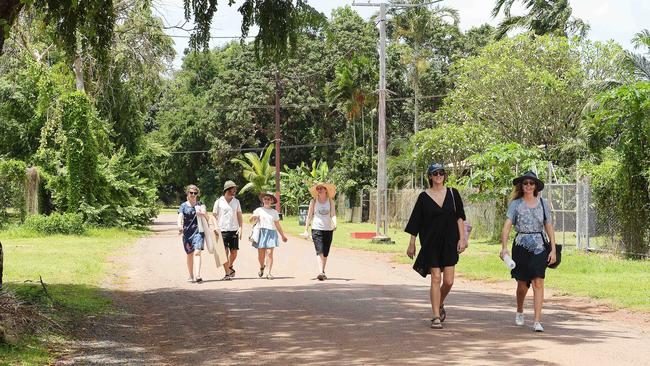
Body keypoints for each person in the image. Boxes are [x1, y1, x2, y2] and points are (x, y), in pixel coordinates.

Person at [405, 163, 467, 329]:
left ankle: (439, 303)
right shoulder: (424, 197)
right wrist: (411, 244)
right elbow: (415, 222)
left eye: (441, 173)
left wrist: (462, 239)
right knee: (436, 277)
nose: (439, 175)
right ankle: (435, 316)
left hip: (449, 241)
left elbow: (460, 218)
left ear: (444, 175)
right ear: (430, 176)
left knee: (448, 281)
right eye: (435, 173)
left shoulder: (453, 193)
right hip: (430, 242)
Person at [500, 171, 557, 332]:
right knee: (522, 284)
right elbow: (507, 226)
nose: (529, 186)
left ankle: (537, 321)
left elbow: (549, 226)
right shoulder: (516, 204)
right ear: (522, 185)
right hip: (521, 246)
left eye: (532, 184)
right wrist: (504, 247)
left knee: (538, 281)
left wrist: (553, 249)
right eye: (526, 183)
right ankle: (519, 309)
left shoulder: (543, 203)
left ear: (536, 186)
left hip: (539, 246)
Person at [250, 192, 288, 279]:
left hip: (271, 233)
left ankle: (268, 273)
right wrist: (253, 217)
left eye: (268, 199)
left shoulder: (274, 212)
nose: (266, 200)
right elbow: (251, 220)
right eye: (265, 199)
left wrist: (282, 235)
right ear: (263, 200)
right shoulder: (258, 210)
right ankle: (262, 267)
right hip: (261, 233)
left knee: (269, 253)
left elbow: (277, 225)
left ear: (271, 201)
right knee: (261, 255)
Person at [304, 182, 337, 281]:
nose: (319, 190)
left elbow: (333, 214)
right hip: (316, 228)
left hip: (328, 229)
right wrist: (306, 229)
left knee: (326, 252)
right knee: (320, 250)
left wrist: (335, 223)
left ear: (326, 190)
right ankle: (321, 272)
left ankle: (323, 270)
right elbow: (309, 215)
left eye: (321, 188)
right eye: (318, 189)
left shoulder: (330, 201)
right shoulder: (313, 201)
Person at [212, 180, 243, 280]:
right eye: (233, 189)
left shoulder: (236, 202)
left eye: (235, 189)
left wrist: (241, 227)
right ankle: (227, 274)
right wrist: (215, 227)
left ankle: (229, 266)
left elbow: (239, 215)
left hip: (234, 230)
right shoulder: (219, 202)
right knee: (224, 253)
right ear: (227, 190)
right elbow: (214, 216)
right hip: (222, 230)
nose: (235, 190)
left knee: (234, 252)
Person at [177, 184, 207, 283]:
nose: (193, 194)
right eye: (191, 193)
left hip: (198, 232)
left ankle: (198, 275)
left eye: (195, 193)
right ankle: (191, 275)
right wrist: (179, 226)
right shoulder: (183, 206)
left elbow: (207, 217)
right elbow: (180, 216)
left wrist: (202, 213)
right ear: (187, 193)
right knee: (189, 254)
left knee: (197, 252)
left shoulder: (200, 204)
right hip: (186, 233)